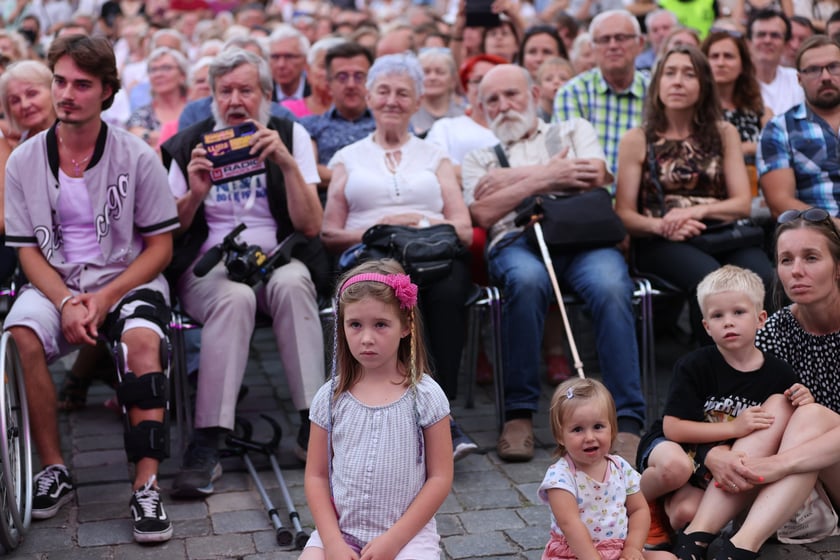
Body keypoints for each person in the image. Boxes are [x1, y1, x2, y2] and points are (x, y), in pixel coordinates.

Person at [3, 34, 178, 543]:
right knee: (20, 335)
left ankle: (146, 485)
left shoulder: (137, 155)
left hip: (127, 276)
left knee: (142, 340)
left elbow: (160, 248)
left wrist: (102, 299)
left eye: (82, 84)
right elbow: (27, 251)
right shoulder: (23, 160)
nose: (66, 93)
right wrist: (63, 301)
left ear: (106, 92)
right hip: (56, 279)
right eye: (60, 80)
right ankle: (52, 468)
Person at [161, 47, 325, 497]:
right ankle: (208, 439)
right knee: (236, 298)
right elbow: (168, 231)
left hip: (277, 259)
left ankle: (314, 426)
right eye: (225, 90)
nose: (235, 100)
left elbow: (311, 225)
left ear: (266, 95)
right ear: (213, 96)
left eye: (245, 90)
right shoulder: (187, 142)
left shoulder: (290, 134)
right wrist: (194, 194)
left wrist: (287, 164)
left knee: (295, 284)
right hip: (209, 266)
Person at [463, 64, 646, 464]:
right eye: (492, 100)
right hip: (516, 244)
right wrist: (549, 176)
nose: (503, 105)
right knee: (526, 283)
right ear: (481, 108)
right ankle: (519, 414)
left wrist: (511, 181)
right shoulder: (477, 157)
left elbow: (594, 174)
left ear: (533, 95)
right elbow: (482, 213)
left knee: (612, 286)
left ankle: (627, 420)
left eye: (511, 94)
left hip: (585, 239)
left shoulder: (572, 130)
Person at [321, 53, 477, 460]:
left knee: (446, 289)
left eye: (402, 93)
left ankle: (441, 412)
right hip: (371, 253)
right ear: (370, 96)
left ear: (417, 100)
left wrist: (421, 226)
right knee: (384, 289)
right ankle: (377, 408)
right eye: (384, 91)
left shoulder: (434, 156)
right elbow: (329, 233)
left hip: (434, 252)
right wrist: (382, 226)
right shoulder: (348, 157)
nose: (392, 100)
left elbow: (461, 226)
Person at [673, 208, 840, 559]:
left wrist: (783, 463)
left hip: (813, 467)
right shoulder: (774, 330)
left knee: (811, 416)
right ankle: (698, 538)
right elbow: (707, 408)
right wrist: (711, 454)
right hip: (799, 482)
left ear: (837, 267)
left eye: (811, 258)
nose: (796, 271)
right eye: (786, 259)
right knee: (779, 404)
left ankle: (741, 544)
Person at [636, 266, 808, 552]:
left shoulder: (778, 373)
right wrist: (734, 428)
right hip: (673, 446)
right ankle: (636, 502)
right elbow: (673, 427)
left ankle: (674, 513)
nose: (728, 322)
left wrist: (805, 398)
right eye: (718, 316)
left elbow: (793, 420)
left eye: (738, 312)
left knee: (685, 514)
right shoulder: (695, 365)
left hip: (712, 468)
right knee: (675, 468)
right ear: (706, 326)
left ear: (761, 319)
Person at [614, 44, 774, 343]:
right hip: (661, 239)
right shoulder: (637, 139)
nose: (677, 81)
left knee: (762, 277)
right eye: (670, 73)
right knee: (713, 284)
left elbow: (741, 204)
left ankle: (763, 368)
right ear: (657, 83)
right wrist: (663, 225)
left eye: (689, 74)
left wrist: (694, 211)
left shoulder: (724, 132)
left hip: (721, 231)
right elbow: (623, 213)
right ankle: (712, 376)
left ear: (703, 85)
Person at [300, 260, 454, 559]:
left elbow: (440, 477)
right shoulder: (330, 397)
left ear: (406, 326)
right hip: (340, 530)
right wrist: (332, 542)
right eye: (355, 324)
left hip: (407, 534)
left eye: (381, 324)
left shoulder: (425, 396)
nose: (367, 338)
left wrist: (394, 540)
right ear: (341, 325)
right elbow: (316, 476)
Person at [538, 378, 651, 560]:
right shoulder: (560, 477)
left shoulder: (620, 467)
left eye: (598, 427)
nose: (589, 437)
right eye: (577, 429)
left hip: (619, 551)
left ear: (612, 429)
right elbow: (569, 524)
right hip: (577, 554)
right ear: (560, 436)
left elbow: (639, 510)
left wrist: (633, 548)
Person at [555, 9, 648, 185]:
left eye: (621, 38)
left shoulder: (655, 93)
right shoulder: (572, 93)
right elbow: (570, 164)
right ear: (592, 48)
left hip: (645, 202)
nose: (612, 46)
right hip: (590, 201)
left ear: (640, 43)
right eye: (604, 40)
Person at [758, 34, 840, 222]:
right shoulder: (779, 129)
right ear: (799, 79)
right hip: (816, 234)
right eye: (813, 70)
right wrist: (832, 226)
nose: (826, 77)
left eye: (834, 67)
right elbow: (779, 203)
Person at [300, 41, 376, 201]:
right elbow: (309, 173)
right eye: (342, 77)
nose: (350, 85)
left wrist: (331, 174)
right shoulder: (310, 126)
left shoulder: (387, 123)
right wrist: (374, 178)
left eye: (359, 76)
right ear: (328, 83)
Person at [702, 30, 773, 183]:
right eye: (714, 56)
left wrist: (746, 148)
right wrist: (748, 148)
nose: (720, 63)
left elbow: (778, 148)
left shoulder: (760, 112)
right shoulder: (694, 111)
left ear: (742, 65)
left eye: (729, 56)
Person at [126, 46, 188, 150]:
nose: (158, 74)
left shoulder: (195, 109)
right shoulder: (141, 114)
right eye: (153, 70)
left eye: (166, 68)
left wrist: (154, 136)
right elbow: (133, 136)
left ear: (182, 75)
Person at [748, 9, 805, 115]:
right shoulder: (737, 82)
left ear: (786, 44)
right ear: (749, 42)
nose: (767, 40)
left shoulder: (796, 79)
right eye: (761, 34)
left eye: (775, 35)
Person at [281, 36, 346, 118]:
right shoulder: (287, 111)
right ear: (308, 70)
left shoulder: (359, 112)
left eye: (339, 68)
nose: (330, 74)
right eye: (324, 66)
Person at [410, 47, 465, 136]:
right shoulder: (408, 113)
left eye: (440, 72)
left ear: (453, 80)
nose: (432, 77)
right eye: (426, 72)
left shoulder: (464, 113)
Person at [268, 25, 311, 103]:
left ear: (305, 60)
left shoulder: (317, 93)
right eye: (275, 57)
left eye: (289, 57)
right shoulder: (262, 94)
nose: (281, 65)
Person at [535, 56, 573, 123]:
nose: (556, 82)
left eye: (563, 78)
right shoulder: (535, 118)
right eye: (549, 79)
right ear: (539, 89)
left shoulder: (575, 113)